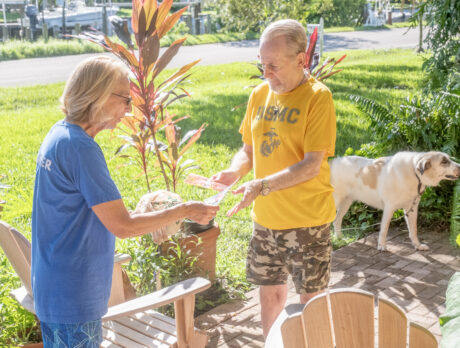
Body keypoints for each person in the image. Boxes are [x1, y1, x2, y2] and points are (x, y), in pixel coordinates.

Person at [31, 56, 219, 347]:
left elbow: (90, 215)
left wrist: (142, 212)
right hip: (73, 294)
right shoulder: (81, 148)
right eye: (124, 99)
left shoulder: (59, 134)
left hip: (55, 288)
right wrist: (184, 210)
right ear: (98, 96)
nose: (129, 109)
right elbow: (123, 227)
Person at [211, 19, 336, 338]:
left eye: (274, 66)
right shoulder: (259, 94)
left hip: (308, 221)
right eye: (262, 64)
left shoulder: (318, 98)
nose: (266, 73)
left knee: (312, 301)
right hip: (266, 220)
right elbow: (248, 151)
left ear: (301, 60)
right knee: (270, 297)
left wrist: (261, 185)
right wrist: (233, 171)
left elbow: (311, 165)